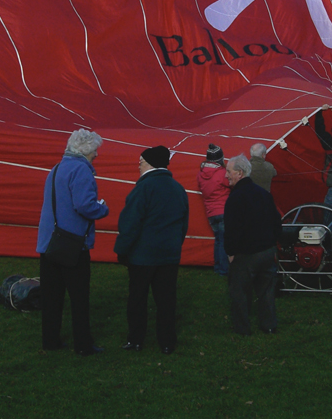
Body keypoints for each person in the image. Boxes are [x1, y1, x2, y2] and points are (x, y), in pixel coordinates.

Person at [35, 129, 111, 356]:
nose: (97, 154)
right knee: (79, 299)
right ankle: (83, 344)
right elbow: (84, 205)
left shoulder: (56, 169)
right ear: (87, 150)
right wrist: (102, 208)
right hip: (73, 245)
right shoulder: (81, 170)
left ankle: (50, 340)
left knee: (51, 297)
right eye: (95, 149)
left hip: (49, 243)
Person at [114, 145, 189, 354]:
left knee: (137, 298)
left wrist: (122, 250)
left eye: (141, 161)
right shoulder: (178, 189)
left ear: (149, 163)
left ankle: (136, 340)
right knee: (166, 300)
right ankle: (167, 342)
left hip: (142, 256)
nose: (138, 165)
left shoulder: (142, 189)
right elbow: (183, 223)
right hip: (169, 255)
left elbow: (130, 224)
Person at [223, 154, 282, 335]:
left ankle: (242, 328)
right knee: (266, 291)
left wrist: (231, 252)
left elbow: (232, 228)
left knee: (239, 291)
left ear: (239, 173)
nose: (226, 175)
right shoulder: (263, 194)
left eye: (228, 172)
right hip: (266, 250)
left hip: (246, 253)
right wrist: (272, 243)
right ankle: (269, 325)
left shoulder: (235, 198)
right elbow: (276, 220)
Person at [196, 143, 231, 275]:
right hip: (223, 209)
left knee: (218, 240)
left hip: (210, 212)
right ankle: (223, 269)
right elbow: (231, 184)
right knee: (224, 241)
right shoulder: (222, 173)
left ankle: (218, 267)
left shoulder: (200, 174)